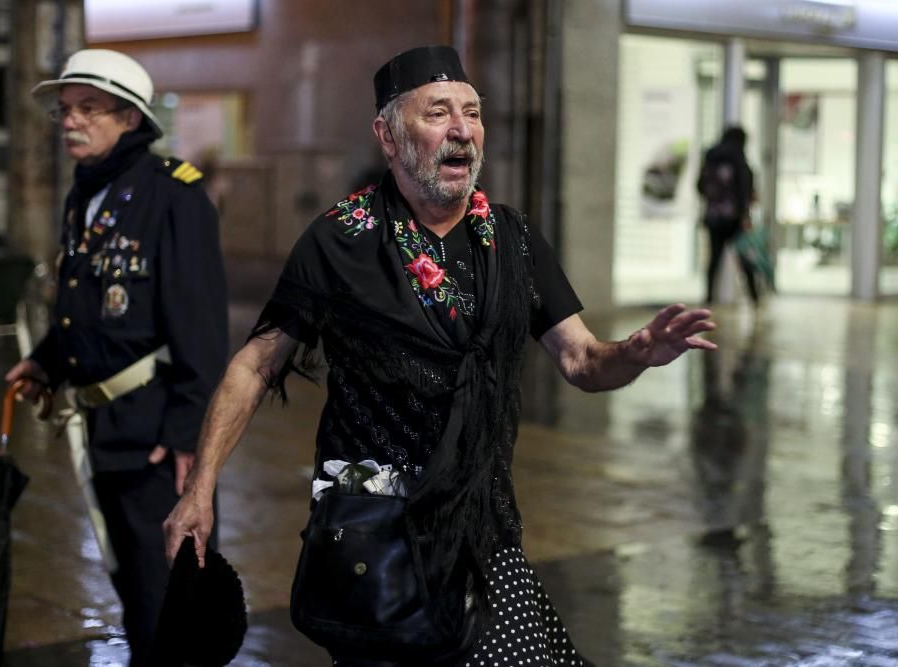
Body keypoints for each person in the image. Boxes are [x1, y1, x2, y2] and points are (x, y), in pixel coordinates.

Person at [163, 45, 716, 666]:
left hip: (483, 531)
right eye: (438, 113)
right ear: (389, 136)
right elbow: (257, 364)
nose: (462, 130)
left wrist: (636, 352)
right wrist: (201, 485)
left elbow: (582, 361)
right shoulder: (341, 240)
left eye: (472, 113)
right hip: (376, 535)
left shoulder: (513, 239)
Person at [4, 49, 229, 666]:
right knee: (131, 582)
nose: (70, 121)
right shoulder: (86, 194)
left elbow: (202, 329)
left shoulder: (174, 196)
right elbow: (86, 303)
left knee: (169, 591)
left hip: (156, 432)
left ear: (130, 118)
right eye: (65, 110)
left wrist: (189, 435)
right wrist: (48, 361)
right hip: (105, 423)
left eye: (88, 109)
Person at [696, 125, 760, 305]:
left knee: (714, 259)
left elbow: (700, 186)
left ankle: (709, 296)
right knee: (744, 256)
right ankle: (754, 297)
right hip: (734, 218)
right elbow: (744, 191)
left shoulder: (711, 157)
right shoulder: (739, 159)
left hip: (714, 216)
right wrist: (744, 215)